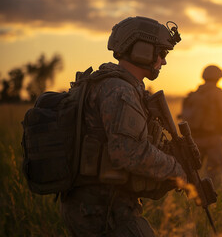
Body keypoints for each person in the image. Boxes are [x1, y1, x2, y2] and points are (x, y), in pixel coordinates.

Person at [60, 16, 186, 237]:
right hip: (102, 211)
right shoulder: (119, 90)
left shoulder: (114, 85)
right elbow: (128, 153)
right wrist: (176, 168)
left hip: (98, 206)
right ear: (142, 50)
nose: (163, 61)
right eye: (161, 53)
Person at [179, 65, 222, 187]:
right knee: (214, 171)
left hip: (193, 138)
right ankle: (210, 197)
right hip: (213, 138)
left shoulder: (193, 94)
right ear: (218, 77)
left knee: (191, 169)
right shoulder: (218, 93)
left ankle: (190, 195)